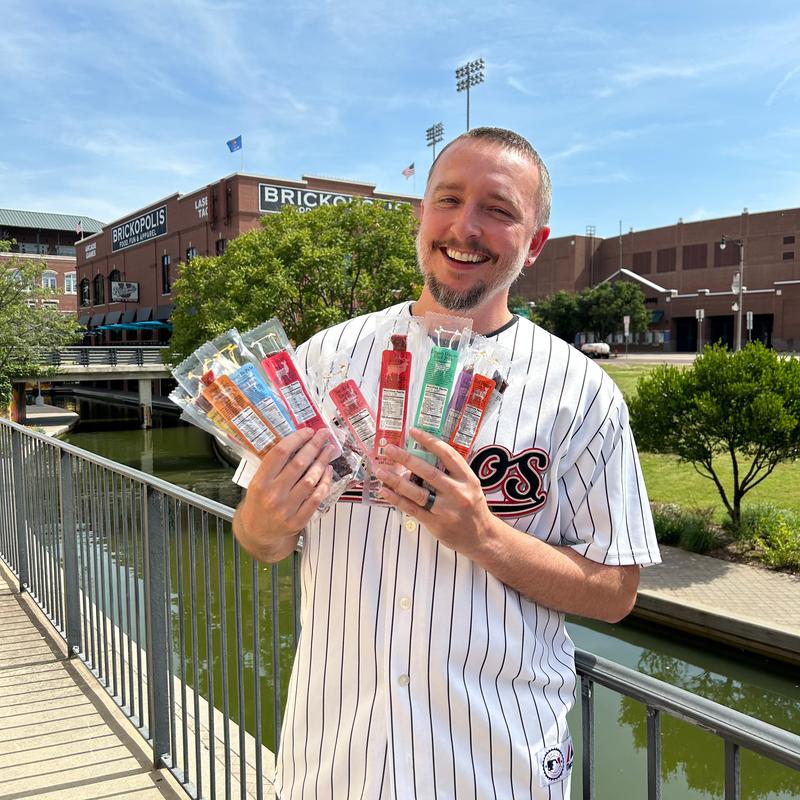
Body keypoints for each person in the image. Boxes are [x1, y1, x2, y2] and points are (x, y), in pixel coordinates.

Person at [234, 127, 660, 799]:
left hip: (497, 765)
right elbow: (259, 541)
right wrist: (263, 517)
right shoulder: (322, 361)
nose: (467, 226)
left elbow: (615, 592)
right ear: (420, 216)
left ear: (535, 242)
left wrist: (484, 537)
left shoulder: (584, 394)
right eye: (449, 200)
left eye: (499, 208)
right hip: (335, 758)